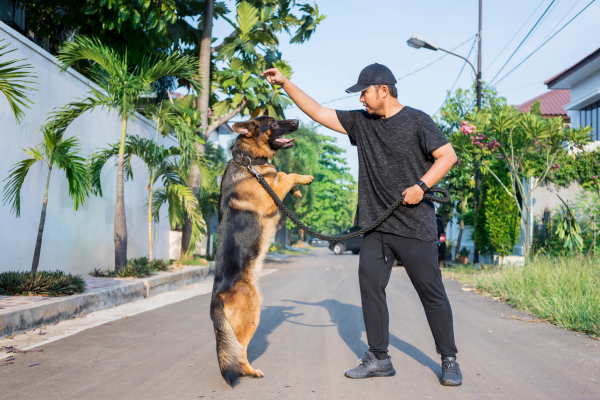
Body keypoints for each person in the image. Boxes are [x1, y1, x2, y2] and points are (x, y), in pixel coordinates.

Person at [262, 63, 462, 386]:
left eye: (365, 92)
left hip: (415, 225)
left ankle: (449, 358)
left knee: (431, 292)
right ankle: (379, 358)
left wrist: (421, 187)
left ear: (384, 90)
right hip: (376, 226)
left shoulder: (417, 121)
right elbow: (317, 112)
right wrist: (286, 83)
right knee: (369, 284)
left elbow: (448, 156)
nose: (361, 100)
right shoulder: (361, 123)